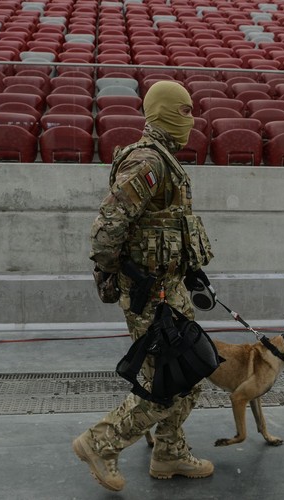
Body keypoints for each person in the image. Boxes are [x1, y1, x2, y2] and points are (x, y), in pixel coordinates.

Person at [72, 80, 215, 492]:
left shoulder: (166, 160)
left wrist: (189, 270)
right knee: (166, 382)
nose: (190, 119)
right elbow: (105, 233)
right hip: (151, 294)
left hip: (172, 288)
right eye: (183, 110)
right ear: (164, 111)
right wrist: (129, 276)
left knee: (190, 373)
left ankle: (169, 453)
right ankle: (100, 442)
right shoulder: (149, 162)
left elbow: (167, 229)